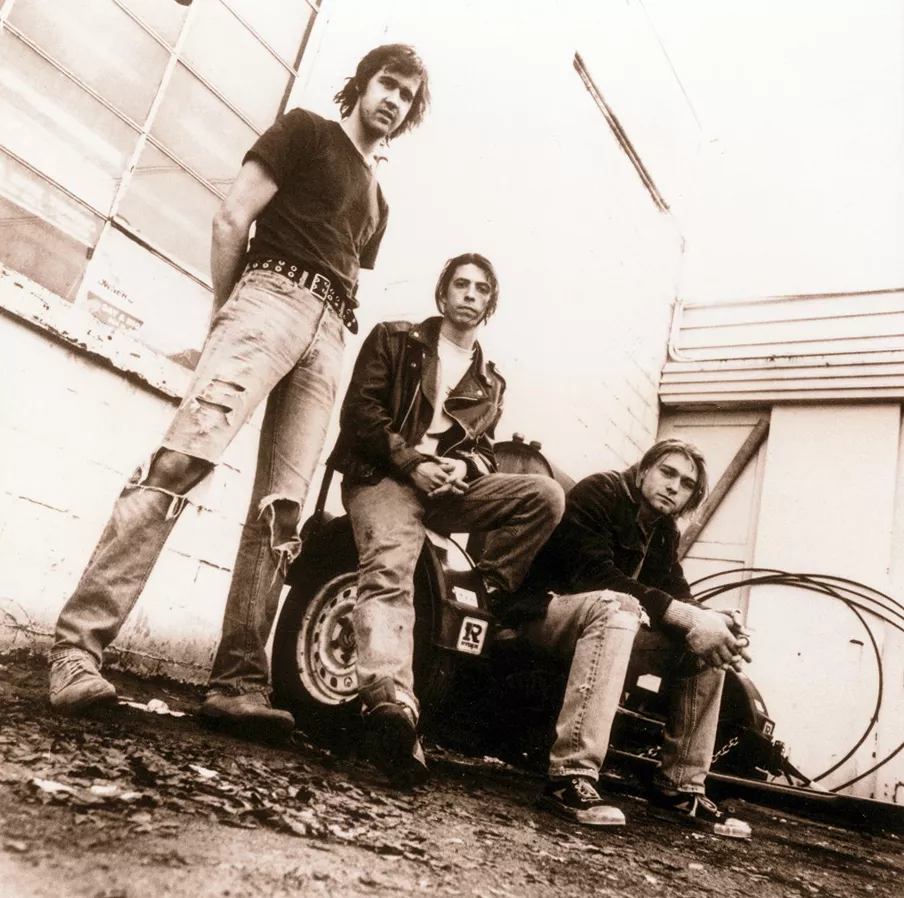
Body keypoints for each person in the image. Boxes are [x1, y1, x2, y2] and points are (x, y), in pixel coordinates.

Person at [48, 45, 431, 741]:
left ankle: (237, 684)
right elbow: (231, 218)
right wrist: (228, 313)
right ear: (362, 82)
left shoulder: (380, 201)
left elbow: (347, 264)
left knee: (282, 512)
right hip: (269, 296)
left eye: (407, 96)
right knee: (180, 463)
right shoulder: (307, 130)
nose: (394, 101)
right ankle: (77, 651)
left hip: (331, 329)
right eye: (388, 84)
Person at [329, 252, 566, 786]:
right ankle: (392, 708)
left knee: (545, 495)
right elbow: (361, 415)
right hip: (384, 476)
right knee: (389, 574)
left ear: (490, 304)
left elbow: (483, 451)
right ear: (442, 294)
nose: (470, 295)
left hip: (445, 489)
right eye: (461, 284)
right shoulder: (395, 339)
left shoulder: (490, 381)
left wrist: (463, 466)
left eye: (481, 289)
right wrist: (414, 464)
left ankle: (493, 591)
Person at [511, 439, 753, 833]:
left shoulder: (663, 530)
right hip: (541, 618)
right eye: (667, 472)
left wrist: (713, 620)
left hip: (607, 630)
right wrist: (688, 616)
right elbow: (594, 575)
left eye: (687, 484)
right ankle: (569, 777)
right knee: (618, 605)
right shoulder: (600, 492)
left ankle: (680, 786)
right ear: (643, 471)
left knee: (708, 646)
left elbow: (676, 591)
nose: (674, 487)